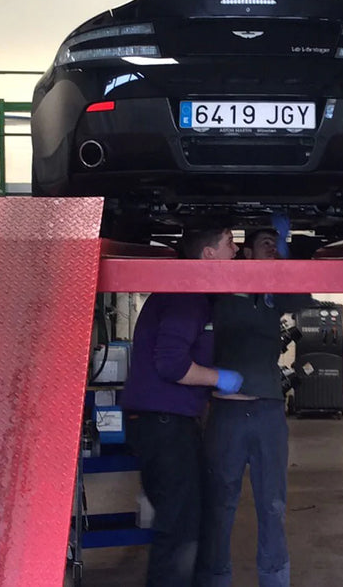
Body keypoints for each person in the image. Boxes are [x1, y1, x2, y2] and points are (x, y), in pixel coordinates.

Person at [121, 226, 243, 587]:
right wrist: (219, 378)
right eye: (230, 244)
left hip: (166, 424)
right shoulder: (186, 295)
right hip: (165, 427)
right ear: (208, 255)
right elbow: (172, 365)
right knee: (179, 531)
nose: (237, 251)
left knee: (182, 522)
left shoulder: (190, 293)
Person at [197, 227, 314, 587]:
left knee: (273, 505)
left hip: (268, 413)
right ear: (246, 253)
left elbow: (305, 299)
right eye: (266, 244)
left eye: (276, 244)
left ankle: (275, 579)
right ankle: (216, 578)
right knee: (220, 505)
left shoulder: (273, 294)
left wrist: (286, 259)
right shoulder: (219, 291)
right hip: (227, 415)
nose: (274, 249)